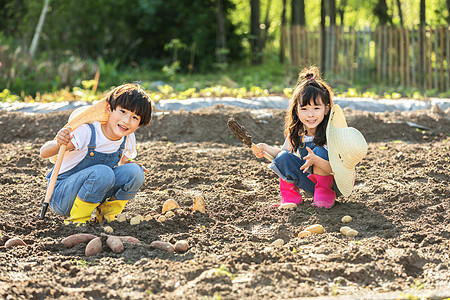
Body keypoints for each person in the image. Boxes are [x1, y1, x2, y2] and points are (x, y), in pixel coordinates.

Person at [253, 66, 367, 209]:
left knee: (319, 151)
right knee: (283, 157)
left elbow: (336, 169)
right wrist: (265, 149)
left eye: (316, 108)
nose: (310, 114)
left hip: (333, 183)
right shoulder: (298, 132)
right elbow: (284, 154)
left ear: (326, 109)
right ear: (296, 110)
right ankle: (290, 198)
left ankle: (324, 195)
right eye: (304, 109)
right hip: (310, 182)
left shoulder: (331, 134)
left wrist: (317, 161)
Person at [40, 83, 153, 224]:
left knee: (135, 172)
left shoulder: (127, 137)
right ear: (109, 109)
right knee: (103, 172)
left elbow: (122, 162)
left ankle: (106, 217)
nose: (126, 121)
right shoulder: (88, 132)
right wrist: (59, 142)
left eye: (135, 117)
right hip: (64, 196)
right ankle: (77, 222)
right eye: (123, 111)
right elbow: (43, 152)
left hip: (95, 192)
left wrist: (129, 165)